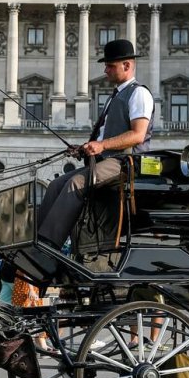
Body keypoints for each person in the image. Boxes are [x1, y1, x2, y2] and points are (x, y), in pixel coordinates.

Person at [36, 38, 154, 248]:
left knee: (76, 184)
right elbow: (103, 136)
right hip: (106, 160)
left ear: (126, 66)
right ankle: (36, 239)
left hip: (126, 162)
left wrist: (102, 146)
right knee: (55, 186)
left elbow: (138, 135)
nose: (106, 70)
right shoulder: (114, 97)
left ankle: (49, 246)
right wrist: (85, 148)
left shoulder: (139, 93)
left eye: (110, 65)